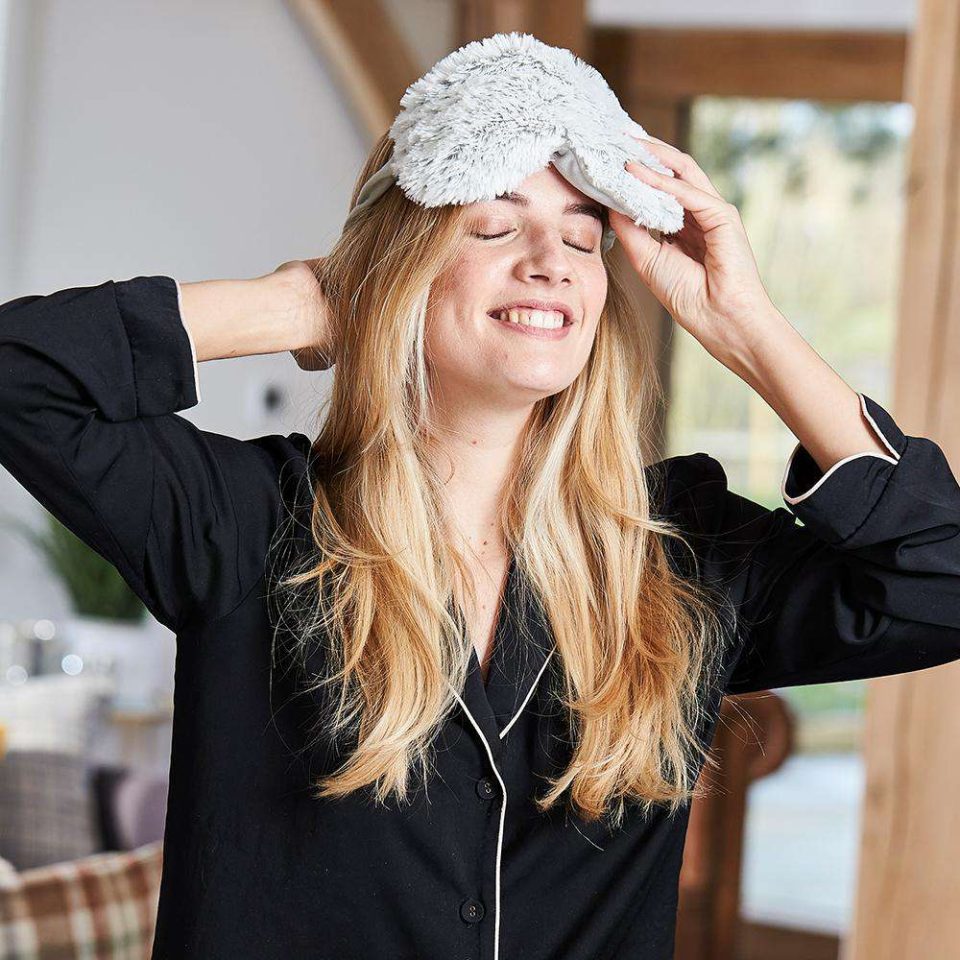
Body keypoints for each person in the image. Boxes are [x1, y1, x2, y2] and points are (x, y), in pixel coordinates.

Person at [2, 74, 960, 960]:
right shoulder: (248, 524)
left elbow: (940, 579)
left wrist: (744, 324)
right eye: (494, 227)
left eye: (583, 238)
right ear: (403, 266)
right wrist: (308, 303)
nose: (550, 263)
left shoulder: (679, 548)